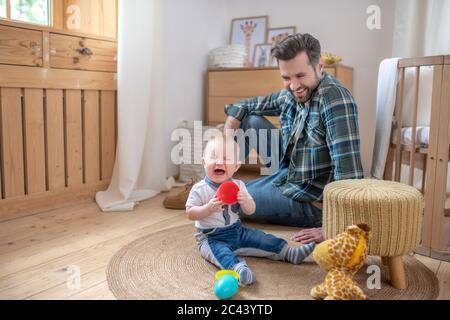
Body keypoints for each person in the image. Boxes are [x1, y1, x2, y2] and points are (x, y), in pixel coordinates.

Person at [223, 33, 364, 245]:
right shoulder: (290, 92)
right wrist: (228, 128)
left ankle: (224, 190)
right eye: (286, 77)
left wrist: (333, 228)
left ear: (319, 67)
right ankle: (221, 178)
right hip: (289, 173)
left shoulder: (334, 99)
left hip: (309, 198)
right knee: (250, 120)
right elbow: (246, 105)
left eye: (300, 76)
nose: (294, 86)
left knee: (229, 203)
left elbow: (350, 176)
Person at [185, 135, 315, 285]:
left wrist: (245, 201)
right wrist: (207, 209)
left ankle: (289, 252)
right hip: (211, 237)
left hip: (236, 231)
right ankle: (239, 269)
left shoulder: (238, 185)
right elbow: (190, 213)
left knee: (262, 238)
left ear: (236, 166)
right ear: (204, 162)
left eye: (227, 159)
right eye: (213, 157)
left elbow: (251, 210)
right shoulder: (200, 188)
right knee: (221, 254)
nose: (219, 162)